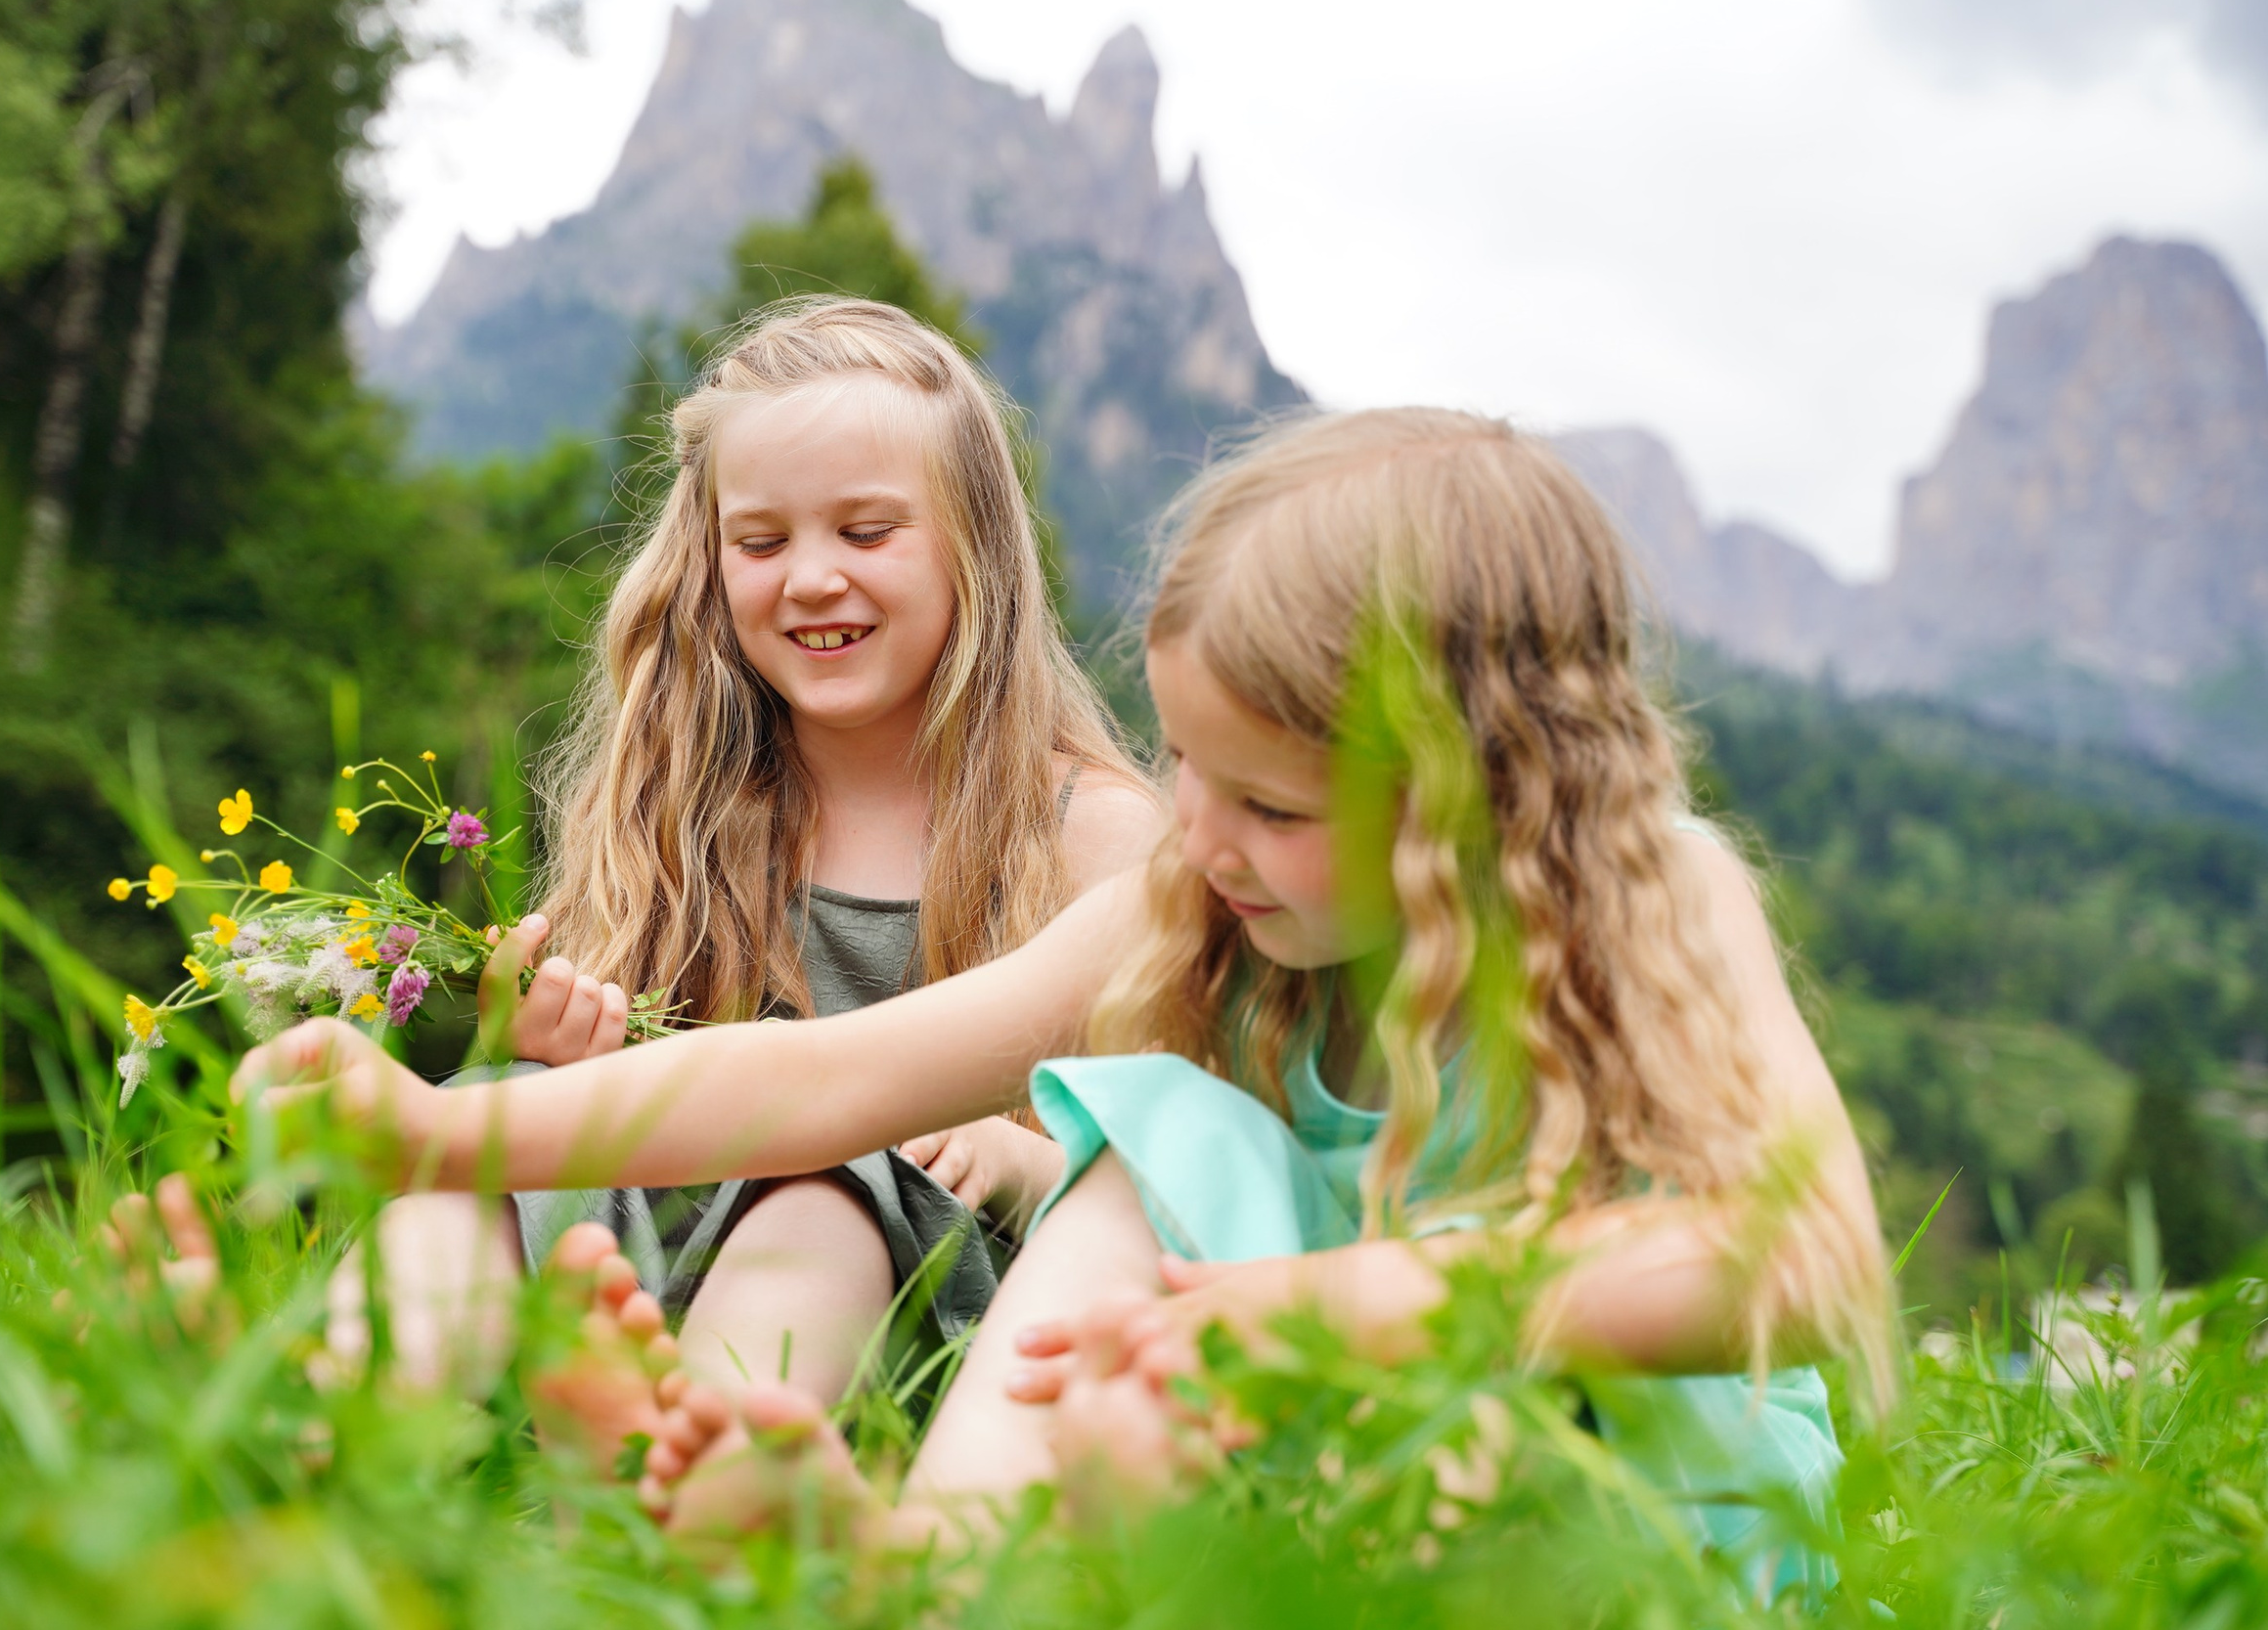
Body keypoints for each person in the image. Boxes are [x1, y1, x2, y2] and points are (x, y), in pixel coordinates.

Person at [239, 408, 1890, 1595]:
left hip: (1623, 1514)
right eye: (1184, 764)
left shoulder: (1655, 899)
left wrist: (1356, 1304)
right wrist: (444, 1130)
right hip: (1306, 1425)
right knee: (1156, 1136)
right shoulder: (1210, 901)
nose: (1199, 832)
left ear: (1474, 793)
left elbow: (1809, 1260)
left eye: (1273, 803)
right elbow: (822, 1080)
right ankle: (931, 1572)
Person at [334, 296, 1163, 1411]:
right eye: (761, 543)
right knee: (485, 1143)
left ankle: (710, 1463)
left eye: (866, 533)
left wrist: (1021, 1163)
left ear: (975, 545)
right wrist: (557, 1047)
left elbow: (1175, 1178)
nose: (810, 578)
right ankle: (352, 1424)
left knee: (829, 1175)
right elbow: (637, 1110)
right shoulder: (682, 802)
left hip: (934, 1293)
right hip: (665, 1245)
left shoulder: (1089, 834)